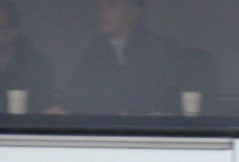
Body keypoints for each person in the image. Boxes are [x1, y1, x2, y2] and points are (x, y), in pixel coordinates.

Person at [55, 0, 184, 115]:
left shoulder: (161, 49)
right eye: (100, 7)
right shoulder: (92, 53)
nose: (103, 12)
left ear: (134, 12)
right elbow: (74, 100)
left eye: (111, 5)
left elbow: (170, 103)